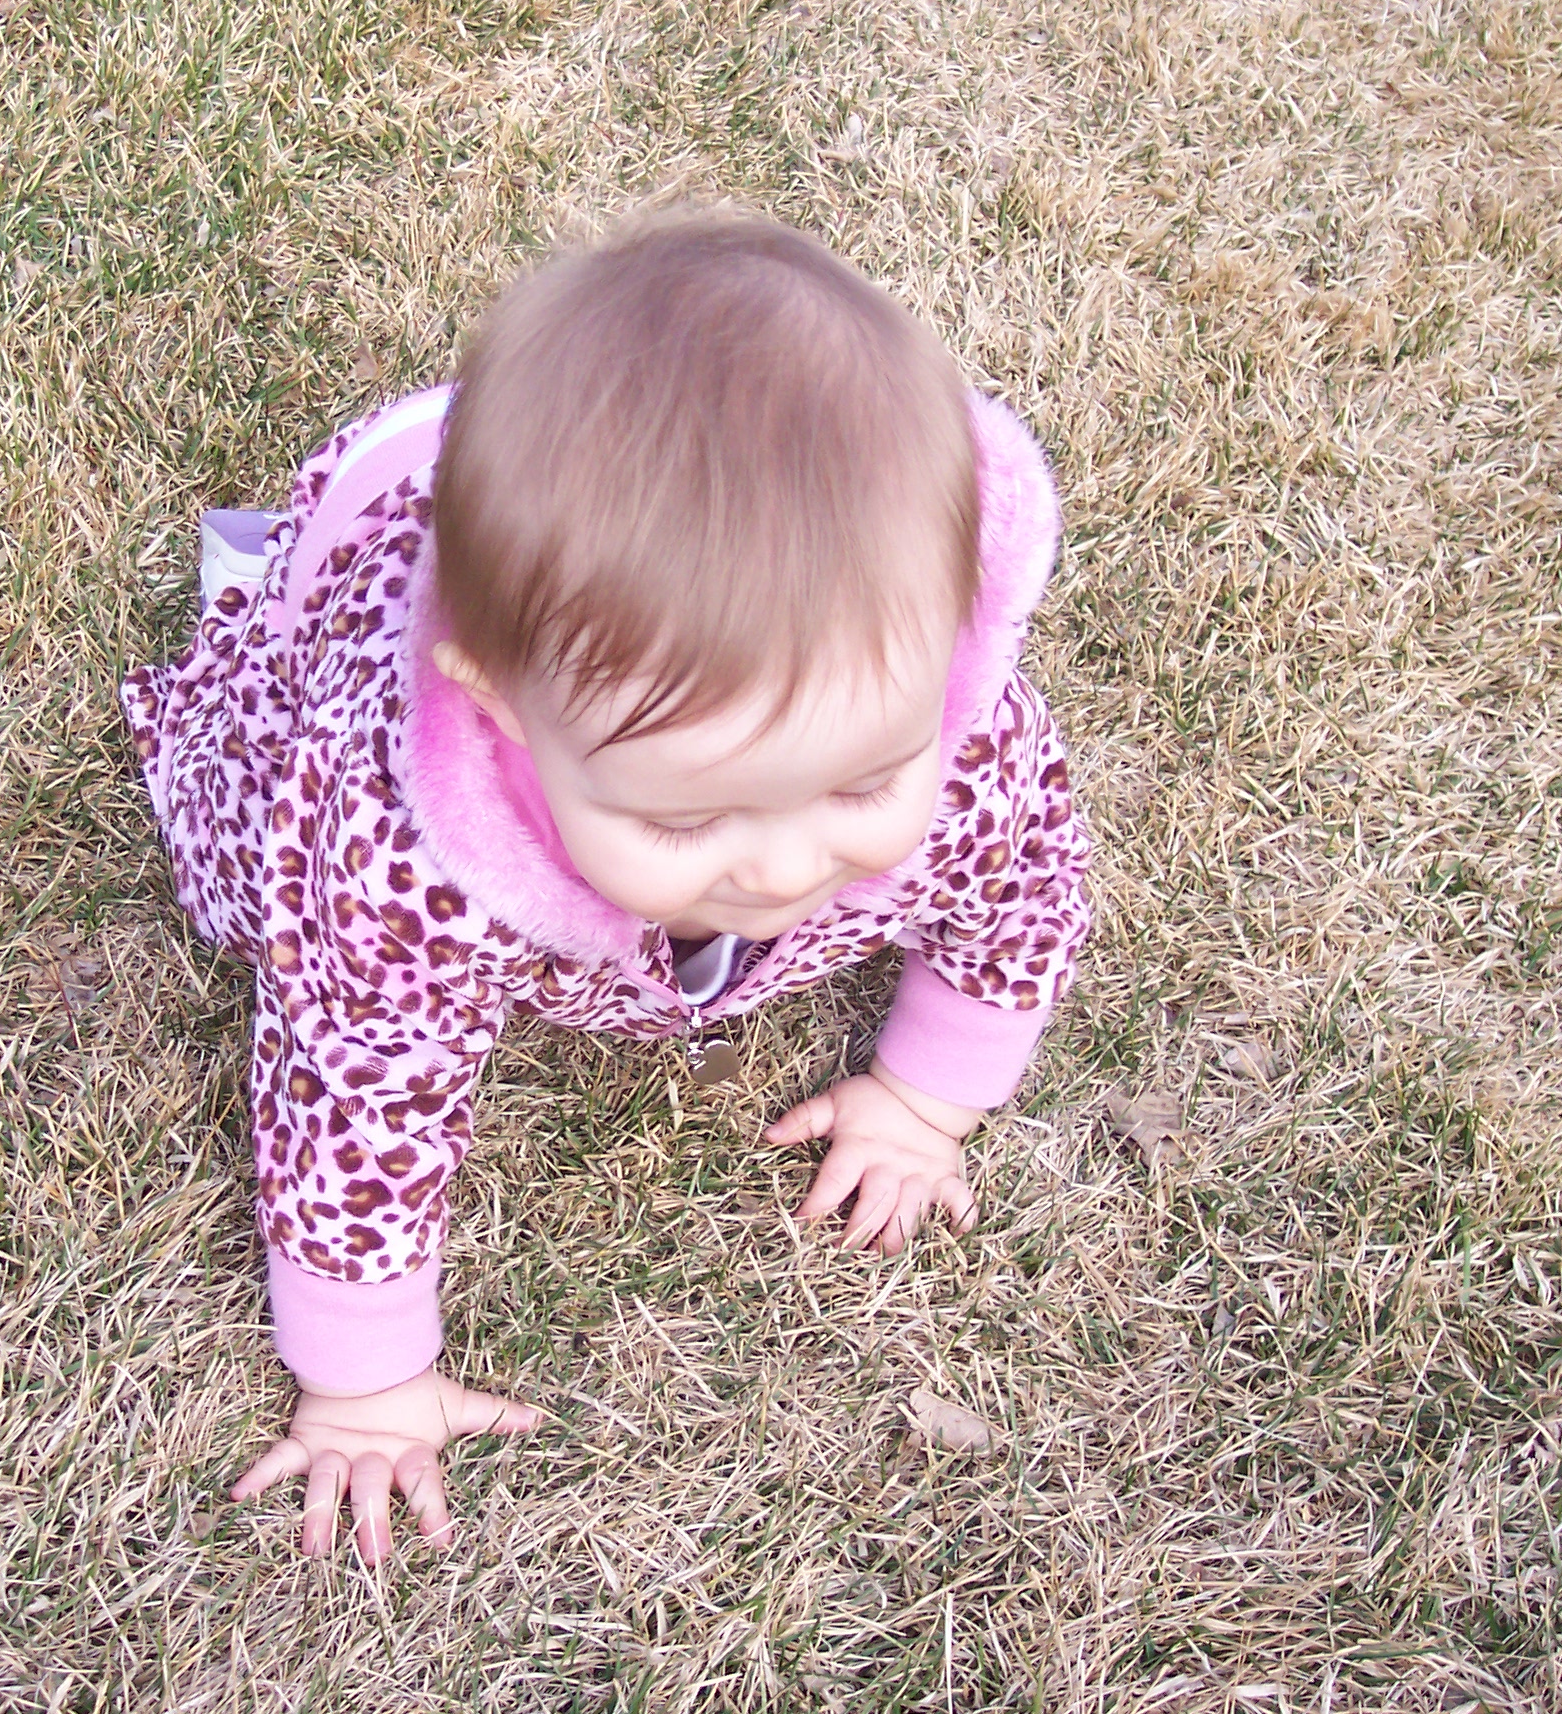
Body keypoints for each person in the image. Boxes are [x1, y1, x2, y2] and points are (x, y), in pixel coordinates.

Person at [122, 208, 1092, 1562]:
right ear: (503, 713)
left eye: (864, 783)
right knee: (246, 882)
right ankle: (278, 570)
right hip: (362, 632)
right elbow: (355, 1094)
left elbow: (1026, 891)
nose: (785, 866)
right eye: (685, 815)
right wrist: (364, 1380)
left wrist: (929, 1099)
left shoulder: (963, 735)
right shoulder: (399, 847)